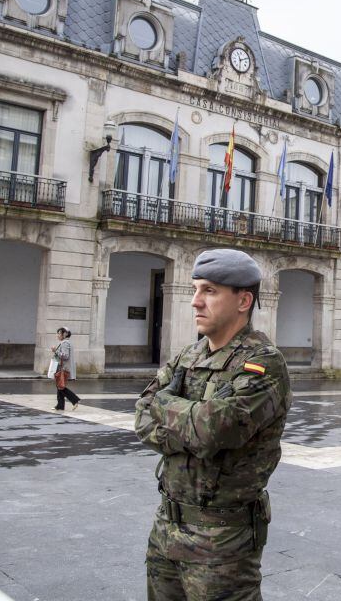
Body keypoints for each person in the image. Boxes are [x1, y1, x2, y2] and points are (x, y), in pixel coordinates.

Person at [135, 249, 292, 601]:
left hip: (223, 541)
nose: (195, 302)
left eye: (209, 291)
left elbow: (215, 430)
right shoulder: (188, 355)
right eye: (195, 289)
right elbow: (142, 417)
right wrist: (190, 421)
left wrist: (167, 406)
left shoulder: (262, 363)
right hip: (167, 526)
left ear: (243, 300)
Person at [52, 327, 80, 411]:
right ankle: (60, 405)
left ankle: (74, 399)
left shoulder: (65, 343)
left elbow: (65, 356)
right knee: (59, 385)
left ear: (64, 334)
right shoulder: (67, 343)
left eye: (59, 333)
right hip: (63, 367)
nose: (57, 335)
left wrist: (55, 351)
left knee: (60, 386)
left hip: (63, 368)